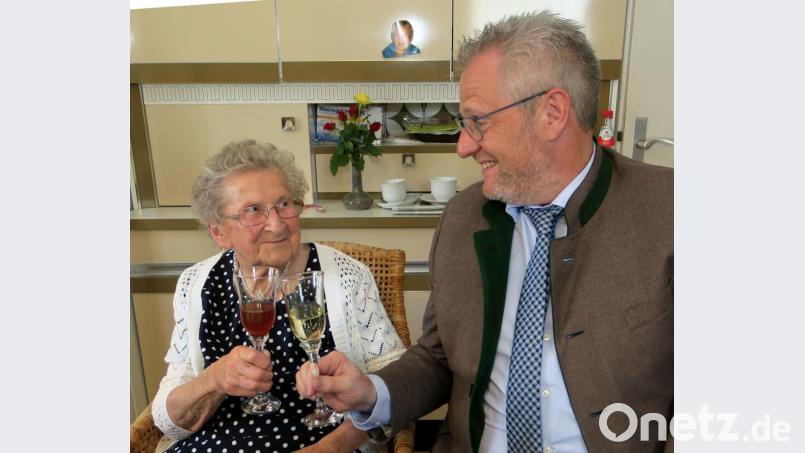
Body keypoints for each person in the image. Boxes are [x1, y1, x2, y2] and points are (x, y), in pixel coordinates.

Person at [297, 10, 673, 453]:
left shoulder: (672, 212)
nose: (464, 146)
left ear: (552, 113)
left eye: (479, 121)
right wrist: (372, 393)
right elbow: (439, 357)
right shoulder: (463, 217)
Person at [151, 139, 405, 453]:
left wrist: (329, 448)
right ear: (219, 232)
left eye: (284, 204)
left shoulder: (346, 276)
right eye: (253, 211)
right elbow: (168, 420)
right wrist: (214, 380)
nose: (276, 224)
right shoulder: (196, 284)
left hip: (322, 444)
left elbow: (397, 388)